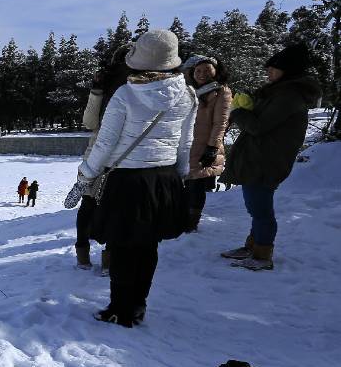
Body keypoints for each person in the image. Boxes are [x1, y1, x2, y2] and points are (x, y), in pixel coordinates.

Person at [78, 29, 196, 327]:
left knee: (121, 247)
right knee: (148, 247)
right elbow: (186, 142)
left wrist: (86, 175)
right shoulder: (188, 93)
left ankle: (119, 308)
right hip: (164, 178)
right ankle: (138, 305)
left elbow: (105, 143)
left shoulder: (126, 94)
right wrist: (178, 177)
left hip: (128, 180)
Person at [219, 43, 322, 271]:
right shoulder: (278, 93)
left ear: (289, 70)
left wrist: (238, 111)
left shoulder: (289, 96)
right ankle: (253, 247)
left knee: (260, 209)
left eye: (273, 69)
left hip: (266, 161)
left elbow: (258, 126)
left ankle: (262, 255)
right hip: (258, 158)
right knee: (255, 206)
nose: (268, 72)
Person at [74, 46, 130, 269]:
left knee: (118, 208)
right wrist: (96, 90)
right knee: (88, 203)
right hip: (97, 153)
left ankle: (110, 256)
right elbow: (89, 123)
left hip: (127, 156)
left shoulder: (146, 86)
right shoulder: (106, 83)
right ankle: (83, 252)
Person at [183, 56, 232, 232]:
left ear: (215, 72)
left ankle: (191, 222)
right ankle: (180, 217)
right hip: (186, 144)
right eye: (198, 70)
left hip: (205, 145)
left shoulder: (221, 91)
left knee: (196, 185)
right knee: (185, 183)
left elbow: (221, 123)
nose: (202, 74)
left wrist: (212, 147)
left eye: (207, 70)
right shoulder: (188, 91)